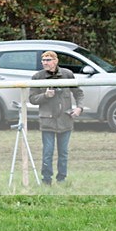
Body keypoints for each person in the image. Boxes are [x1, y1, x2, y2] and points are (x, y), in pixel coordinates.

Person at [29, 51, 84, 185]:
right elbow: (32, 99)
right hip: (47, 120)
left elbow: (79, 93)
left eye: (48, 60)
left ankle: (62, 179)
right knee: (47, 152)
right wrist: (45, 96)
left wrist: (79, 108)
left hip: (65, 120)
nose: (45, 62)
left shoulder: (67, 74)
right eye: (43, 60)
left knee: (63, 153)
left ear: (56, 61)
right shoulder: (37, 77)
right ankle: (46, 180)